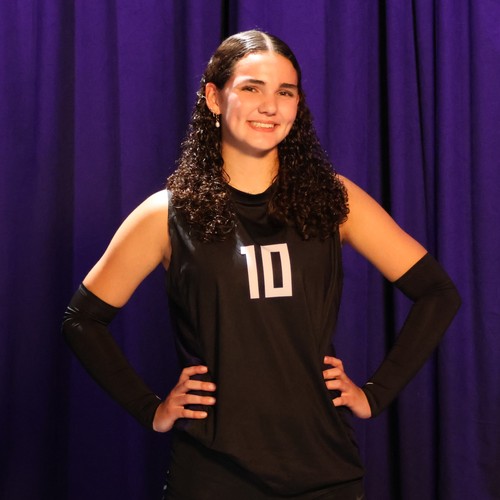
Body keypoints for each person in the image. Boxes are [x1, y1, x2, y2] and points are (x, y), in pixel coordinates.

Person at [62, 30, 461, 499]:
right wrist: (150, 408)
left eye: (285, 92)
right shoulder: (167, 214)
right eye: (252, 88)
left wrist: (375, 393)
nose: (270, 106)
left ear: (297, 105)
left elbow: (438, 294)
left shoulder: (335, 200)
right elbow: (82, 321)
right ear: (215, 98)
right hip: (212, 476)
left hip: (325, 472)